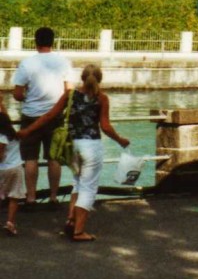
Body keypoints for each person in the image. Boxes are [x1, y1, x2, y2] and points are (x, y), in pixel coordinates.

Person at [19, 65, 129, 242]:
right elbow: (105, 127)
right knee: (88, 188)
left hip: (72, 146)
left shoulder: (70, 95)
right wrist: (120, 140)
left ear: (82, 78)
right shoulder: (102, 99)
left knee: (77, 184)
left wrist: (27, 130)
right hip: (91, 146)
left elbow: (49, 116)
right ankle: (79, 231)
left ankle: (71, 221)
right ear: (99, 80)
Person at [11, 27, 72, 207]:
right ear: (52, 41)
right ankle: (53, 197)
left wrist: (27, 97)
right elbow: (69, 91)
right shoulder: (63, 62)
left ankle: (31, 198)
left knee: (30, 159)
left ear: (35, 41)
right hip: (55, 117)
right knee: (53, 158)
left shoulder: (27, 63)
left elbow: (17, 94)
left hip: (30, 116)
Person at [0, 111, 22, 236]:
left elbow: (0, 155)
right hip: (16, 167)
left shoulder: (1, 137)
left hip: (3, 168)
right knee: (14, 196)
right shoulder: (14, 135)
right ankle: (10, 222)